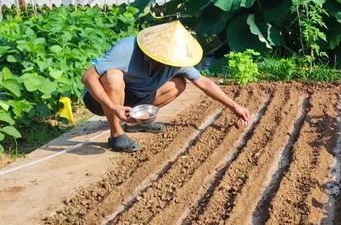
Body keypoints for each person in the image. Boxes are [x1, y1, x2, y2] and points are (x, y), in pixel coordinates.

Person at [82, 21, 250, 152]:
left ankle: (139, 122)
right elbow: (88, 77)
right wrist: (113, 107)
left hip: (136, 97)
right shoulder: (127, 49)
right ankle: (116, 134)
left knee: (178, 83)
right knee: (113, 76)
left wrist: (234, 106)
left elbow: (203, 82)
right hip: (101, 100)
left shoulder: (175, 60)